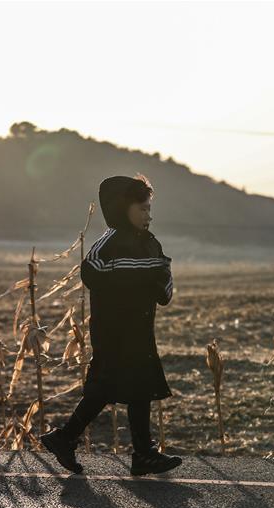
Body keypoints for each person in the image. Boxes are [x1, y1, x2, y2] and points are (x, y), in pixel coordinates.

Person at [40, 173, 183, 476]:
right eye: (142, 209)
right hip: (113, 332)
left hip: (141, 330)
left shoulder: (150, 243)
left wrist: (154, 275)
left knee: (137, 389)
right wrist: (143, 273)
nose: (149, 216)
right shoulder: (109, 243)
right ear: (122, 209)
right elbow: (92, 273)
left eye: (149, 209)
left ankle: (135, 452)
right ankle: (70, 438)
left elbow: (164, 288)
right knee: (106, 388)